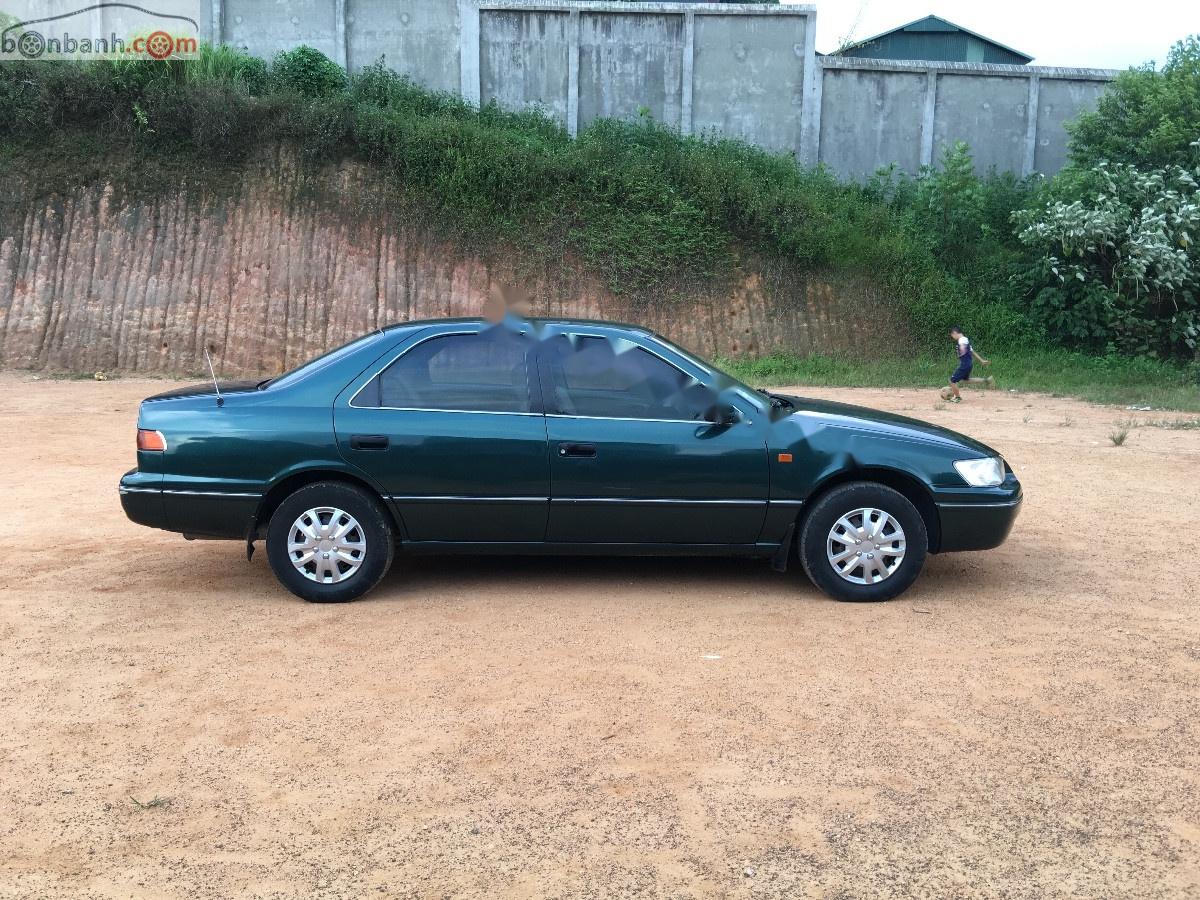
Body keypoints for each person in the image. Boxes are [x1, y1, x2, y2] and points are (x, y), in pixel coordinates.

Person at [946, 326, 989, 403]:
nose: (952, 337)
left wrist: (961, 352)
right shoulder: (965, 340)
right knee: (966, 380)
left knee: (952, 380)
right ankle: (986, 380)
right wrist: (981, 360)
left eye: (952, 335)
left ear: (954, 333)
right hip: (968, 363)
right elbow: (972, 352)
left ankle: (957, 398)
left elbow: (964, 351)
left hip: (965, 364)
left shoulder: (962, 340)